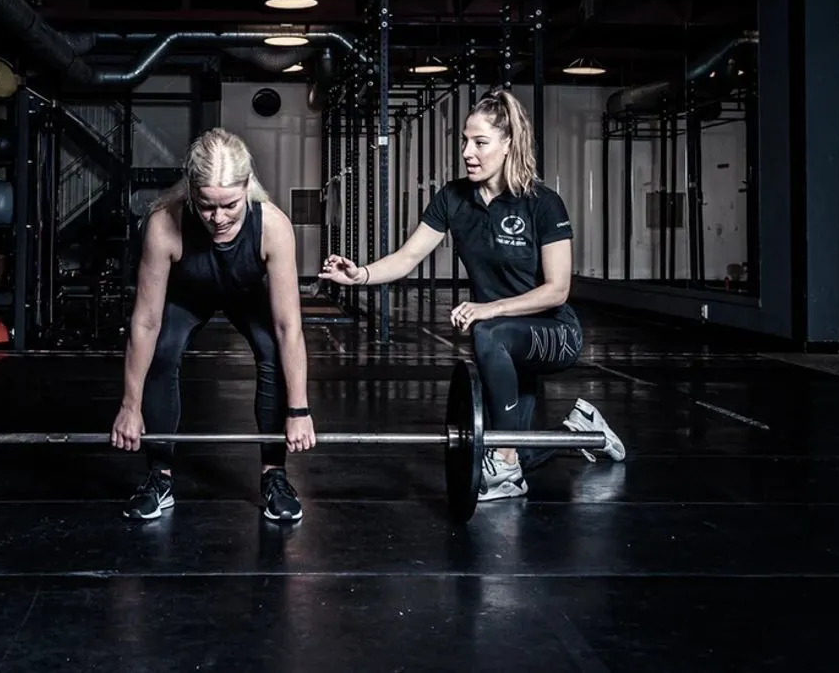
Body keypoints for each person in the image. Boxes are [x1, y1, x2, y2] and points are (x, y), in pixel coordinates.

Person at [320, 89, 625, 502]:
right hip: (503, 338)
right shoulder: (453, 198)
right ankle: (580, 429)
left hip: (554, 333)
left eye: (480, 143)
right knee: (511, 448)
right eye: (465, 141)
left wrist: (489, 309)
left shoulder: (543, 203)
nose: (467, 152)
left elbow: (558, 290)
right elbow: (408, 257)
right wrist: (360, 275)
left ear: (508, 144)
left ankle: (507, 463)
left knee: (488, 343)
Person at [111, 127, 316, 522]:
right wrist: (129, 406)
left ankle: (274, 474)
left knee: (273, 348)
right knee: (162, 350)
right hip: (189, 297)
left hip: (246, 296)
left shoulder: (273, 226)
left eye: (230, 206)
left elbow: (288, 325)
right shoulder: (164, 224)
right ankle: (159, 477)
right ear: (191, 191)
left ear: (247, 185)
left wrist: (299, 409)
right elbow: (146, 321)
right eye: (206, 206)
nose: (218, 218)